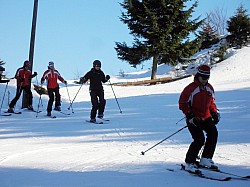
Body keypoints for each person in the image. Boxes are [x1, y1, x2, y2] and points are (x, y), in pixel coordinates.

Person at [178, 64, 220, 173]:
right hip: (194, 119)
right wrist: (190, 115)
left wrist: (214, 113)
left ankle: (205, 159)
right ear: (198, 75)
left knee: (213, 133)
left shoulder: (209, 88)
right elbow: (182, 103)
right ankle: (189, 163)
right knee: (199, 139)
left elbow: (211, 103)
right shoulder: (191, 88)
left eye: (207, 78)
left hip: (206, 117)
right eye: (203, 78)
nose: (205, 80)